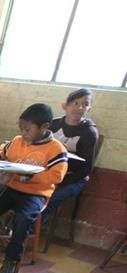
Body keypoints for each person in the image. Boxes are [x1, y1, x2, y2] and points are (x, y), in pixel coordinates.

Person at [0, 103, 68, 273]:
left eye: (27, 129)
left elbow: (57, 176)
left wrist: (31, 178)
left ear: (45, 128)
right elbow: (4, 150)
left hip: (36, 194)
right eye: (21, 129)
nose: (23, 133)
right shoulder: (18, 141)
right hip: (12, 189)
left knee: (23, 220)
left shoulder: (56, 150)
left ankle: (11, 259)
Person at [40, 88, 99, 227]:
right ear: (65, 105)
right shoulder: (53, 125)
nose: (79, 107)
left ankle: (27, 231)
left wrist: (60, 181)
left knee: (51, 197)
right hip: (48, 171)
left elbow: (86, 168)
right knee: (23, 188)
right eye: (75, 103)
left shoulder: (89, 132)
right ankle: (14, 225)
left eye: (85, 104)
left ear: (89, 108)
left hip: (74, 178)